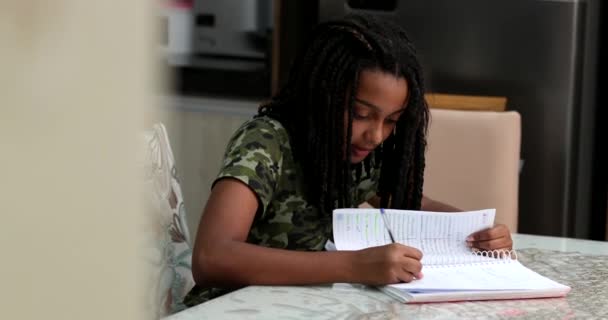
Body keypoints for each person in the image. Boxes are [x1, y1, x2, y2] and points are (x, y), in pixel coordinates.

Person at [184, 13, 512, 306]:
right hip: (229, 308)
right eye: (360, 114)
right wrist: (353, 265)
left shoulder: (362, 151)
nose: (377, 135)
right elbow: (212, 257)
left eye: (392, 120)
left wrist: (476, 230)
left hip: (301, 306)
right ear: (321, 96)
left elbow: (408, 205)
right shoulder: (267, 142)